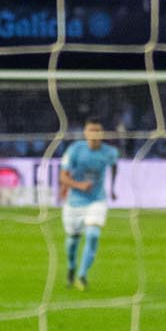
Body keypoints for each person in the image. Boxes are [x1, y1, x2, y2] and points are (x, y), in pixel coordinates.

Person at [59, 118, 119, 291]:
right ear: (85, 133)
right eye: (91, 131)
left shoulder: (109, 152)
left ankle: (82, 275)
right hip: (74, 202)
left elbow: (114, 167)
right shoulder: (75, 150)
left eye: (97, 131)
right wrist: (78, 186)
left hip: (97, 200)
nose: (94, 134)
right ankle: (71, 268)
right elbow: (63, 177)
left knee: (93, 235)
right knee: (72, 242)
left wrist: (113, 188)